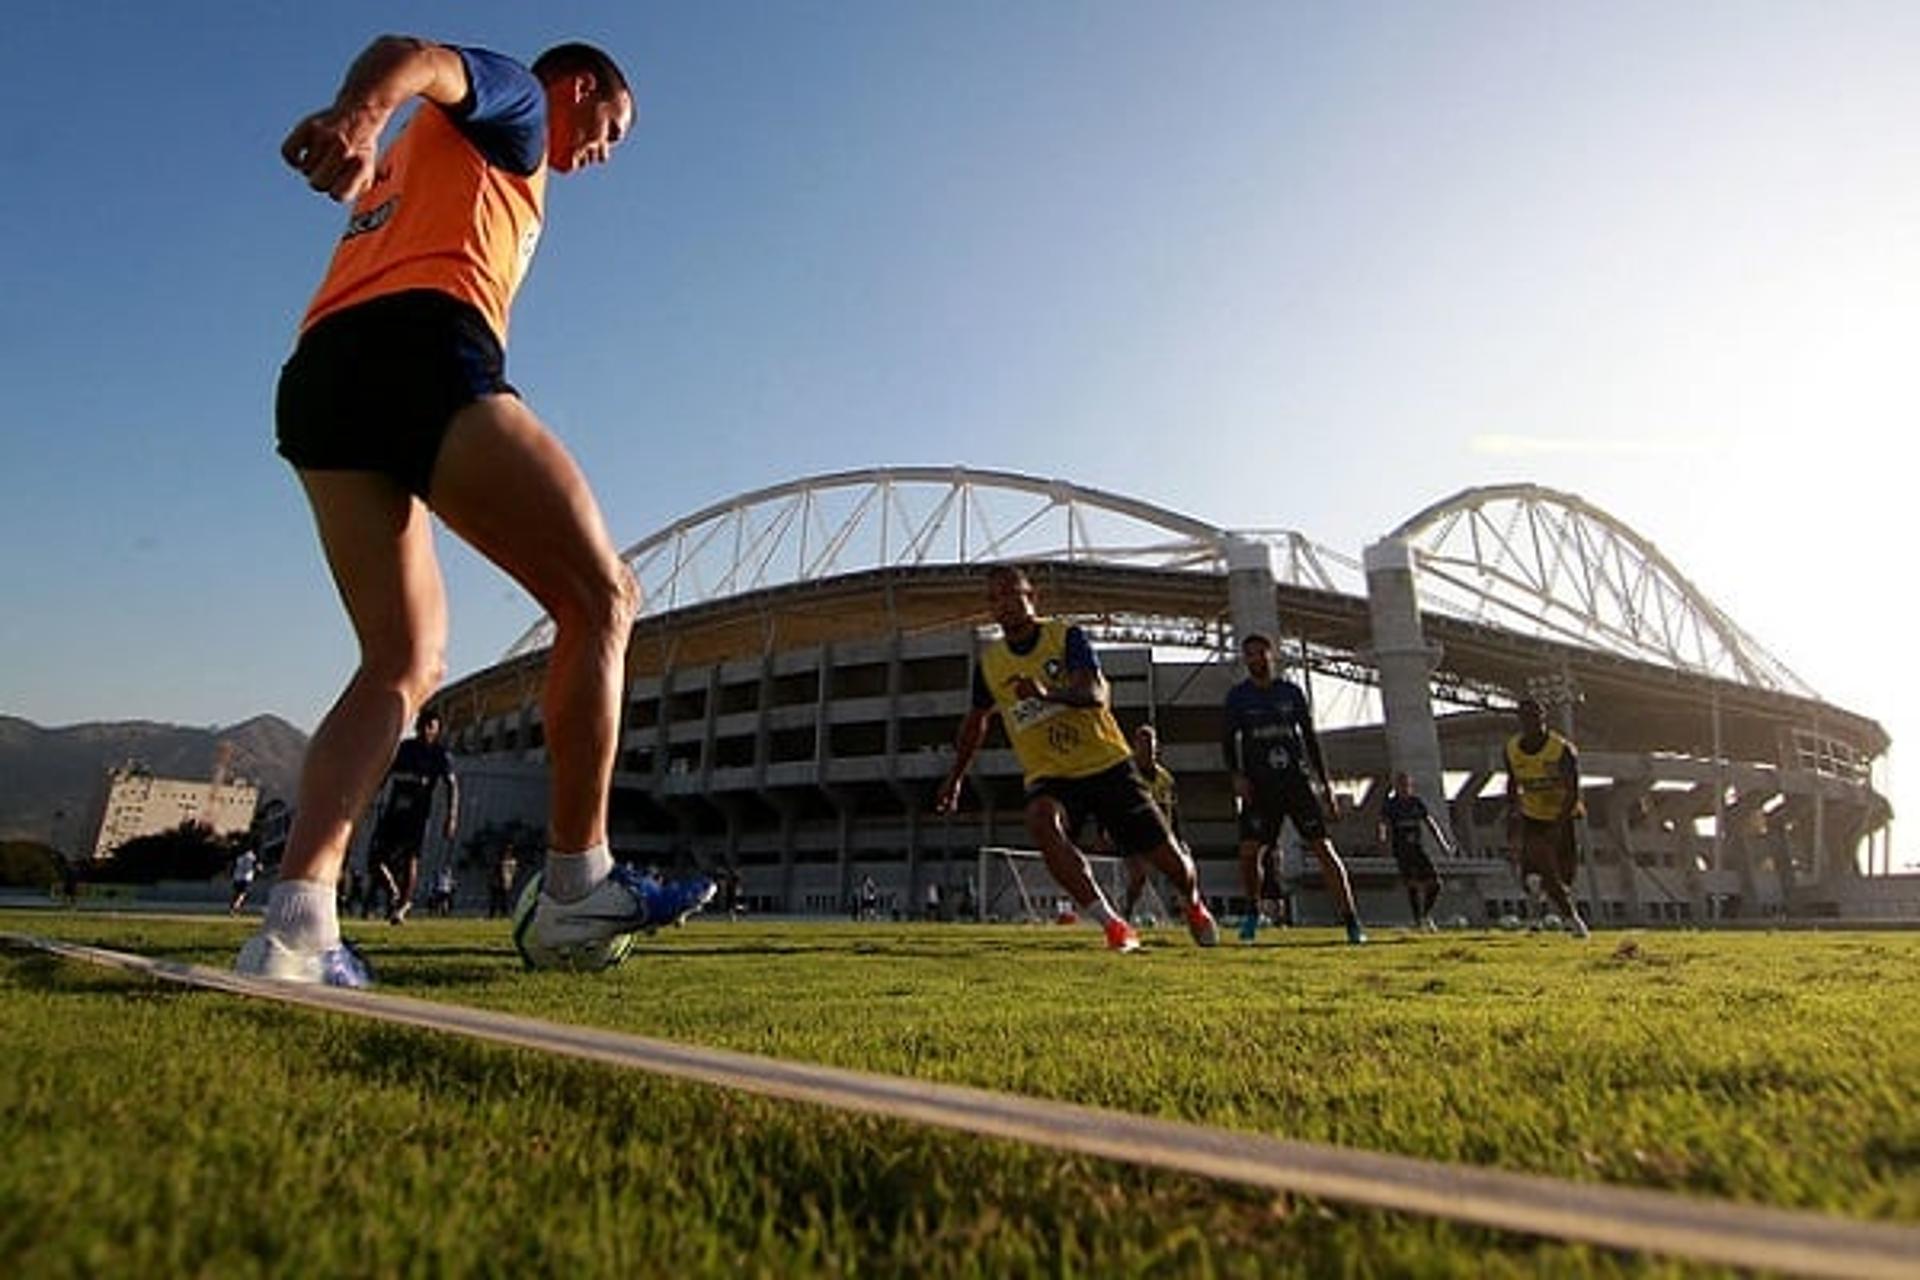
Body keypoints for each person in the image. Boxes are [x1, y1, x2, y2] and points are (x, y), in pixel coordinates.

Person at [236, 35, 712, 986]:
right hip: (420, 350)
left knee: (404, 660)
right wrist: (360, 115)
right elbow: (413, 53)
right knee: (601, 597)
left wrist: (369, 130)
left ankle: (294, 927)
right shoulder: (522, 108)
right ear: (580, 89)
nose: (605, 153)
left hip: (322, 378)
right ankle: (578, 885)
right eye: (611, 129)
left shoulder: (465, 166)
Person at [934, 565, 1218, 952]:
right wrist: (956, 777)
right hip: (1050, 774)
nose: (1004, 603)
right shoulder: (990, 665)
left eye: (1012, 593)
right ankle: (1112, 924)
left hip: (1106, 764)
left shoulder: (1065, 636)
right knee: (1039, 820)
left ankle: (1194, 904)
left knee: (1172, 864)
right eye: (995, 598)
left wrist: (1046, 694)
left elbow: (1094, 693)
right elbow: (975, 722)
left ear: (1031, 597)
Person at [1224, 632, 1368, 945]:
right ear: (1244, 659)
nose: (1255, 659)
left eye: (1260, 653)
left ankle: (1352, 921)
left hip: (1295, 782)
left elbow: (1310, 738)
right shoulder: (1238, 697)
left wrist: (1325, 785)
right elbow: (1227, 740)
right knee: (1250, 852)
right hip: (1259, 786)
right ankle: (1252, 913)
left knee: (1323, 849)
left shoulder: (1290, 693)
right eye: (1249, 654)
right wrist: (1236, 776)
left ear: (1271, 655)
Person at [1504, 697, 1591, 939]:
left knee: (1564, 876)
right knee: (1543, 865)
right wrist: (1513, 813)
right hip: (1533, 817)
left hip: (1563, 817)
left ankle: (1539, 900)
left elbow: (1573, 791)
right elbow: (1512, 782)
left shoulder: (1561, 750)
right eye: (1524, 719)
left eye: (1534, 718)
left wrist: (1558, 825)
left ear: (1543, 719)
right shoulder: (1511, 749)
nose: (1530, 723)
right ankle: (1573, 920)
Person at [366, 709, 460, 925]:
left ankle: (402, 905)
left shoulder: (440, 754)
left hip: (417, 815)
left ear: (437, 730)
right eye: (423, 725)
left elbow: (451, 785)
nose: (425, 730)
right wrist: (371, 797)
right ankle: (393, 890)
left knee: (411, 857)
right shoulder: (405, 748)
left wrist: (451, 815)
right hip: (394, 810)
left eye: (431, 726)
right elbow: (385, 772)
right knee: (375, 858)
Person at [1119, 724, 1185, 925]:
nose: (1147, 748)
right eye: (1142, 743)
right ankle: (1127, 912)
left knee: (1181, 872)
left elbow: (1172, 812)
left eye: (1151, 743)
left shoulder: (1165, 779)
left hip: (1158, 835)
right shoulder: (1127, 775)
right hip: (1131, 833)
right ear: (1134, 746)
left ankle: (1187, 914)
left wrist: (1179, 839)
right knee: (1138, 877)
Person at [1376, 772, 1454, 931]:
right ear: (1395, 787)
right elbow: (1382, 823)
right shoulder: (1391, 804)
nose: (1404, 788)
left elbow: (1430, 823)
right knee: (1411, 884)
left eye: (1406, 784)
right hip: (1401, 849)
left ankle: (1425, 915)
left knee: (1436, 883)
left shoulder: (1416, 802)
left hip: (1418, 848)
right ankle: (1418, 920)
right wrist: (1382, 839)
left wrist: (1443, 844)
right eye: (1400, 785)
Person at [488, 843, 520, 919]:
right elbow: (495, 872)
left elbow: (513, 873)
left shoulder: (512, 862)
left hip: (506, 882)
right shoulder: (500, 862)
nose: (508, 853)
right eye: (507, 851)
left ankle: (504, 914)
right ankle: (492, 915)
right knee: (495, 900)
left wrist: (510, 881)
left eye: (509, 851)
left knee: (505, 900)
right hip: (498, 883)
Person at [229, 847, 259, 915]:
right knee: (244, 893)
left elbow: (233, 866)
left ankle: (235, 908)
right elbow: (256, 866)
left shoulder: (239, 857)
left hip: (237, 877)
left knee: (236, 893)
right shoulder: (251, 856)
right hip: (246, 877)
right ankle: (236, 905)